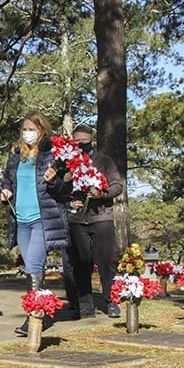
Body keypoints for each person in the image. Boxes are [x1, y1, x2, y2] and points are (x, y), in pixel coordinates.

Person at [0, 111, 70, 335]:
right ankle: (39, 310)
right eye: (25, 129)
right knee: (31, 268)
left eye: (33, 129)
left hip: (42, 219)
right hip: (21, 219)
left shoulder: (53, 155)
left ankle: (34, 317)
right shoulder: (16, 154)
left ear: (42, 131)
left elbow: (65, 190)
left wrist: (54, 180)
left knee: (34, 264)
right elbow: (7, 180)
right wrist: (5, 190)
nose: (28, 133)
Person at [61, 124, 123, 319]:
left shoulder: (104, 161)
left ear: (92, 140)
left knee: (105, 261)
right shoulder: (65, 162)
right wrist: (69, 198)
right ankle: (85, 304)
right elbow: (56, 190)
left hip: (101, 216)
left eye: (84, 141)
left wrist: (101, 193)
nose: (80, 145)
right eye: (76, 142)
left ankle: (111, 300)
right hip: (76, 218)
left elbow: (117, 185)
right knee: (80, 263)